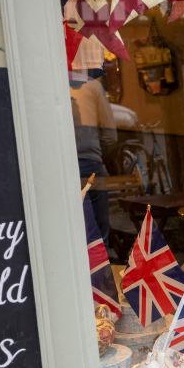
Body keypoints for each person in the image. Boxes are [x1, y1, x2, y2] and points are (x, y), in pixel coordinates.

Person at [70, 68, 117, 242]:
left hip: (60, 166)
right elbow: (110, 136)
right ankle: (98, 267)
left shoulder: (47, 84)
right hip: (90, 161)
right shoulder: (93, 86)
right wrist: (97, 154)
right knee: (98, 230)